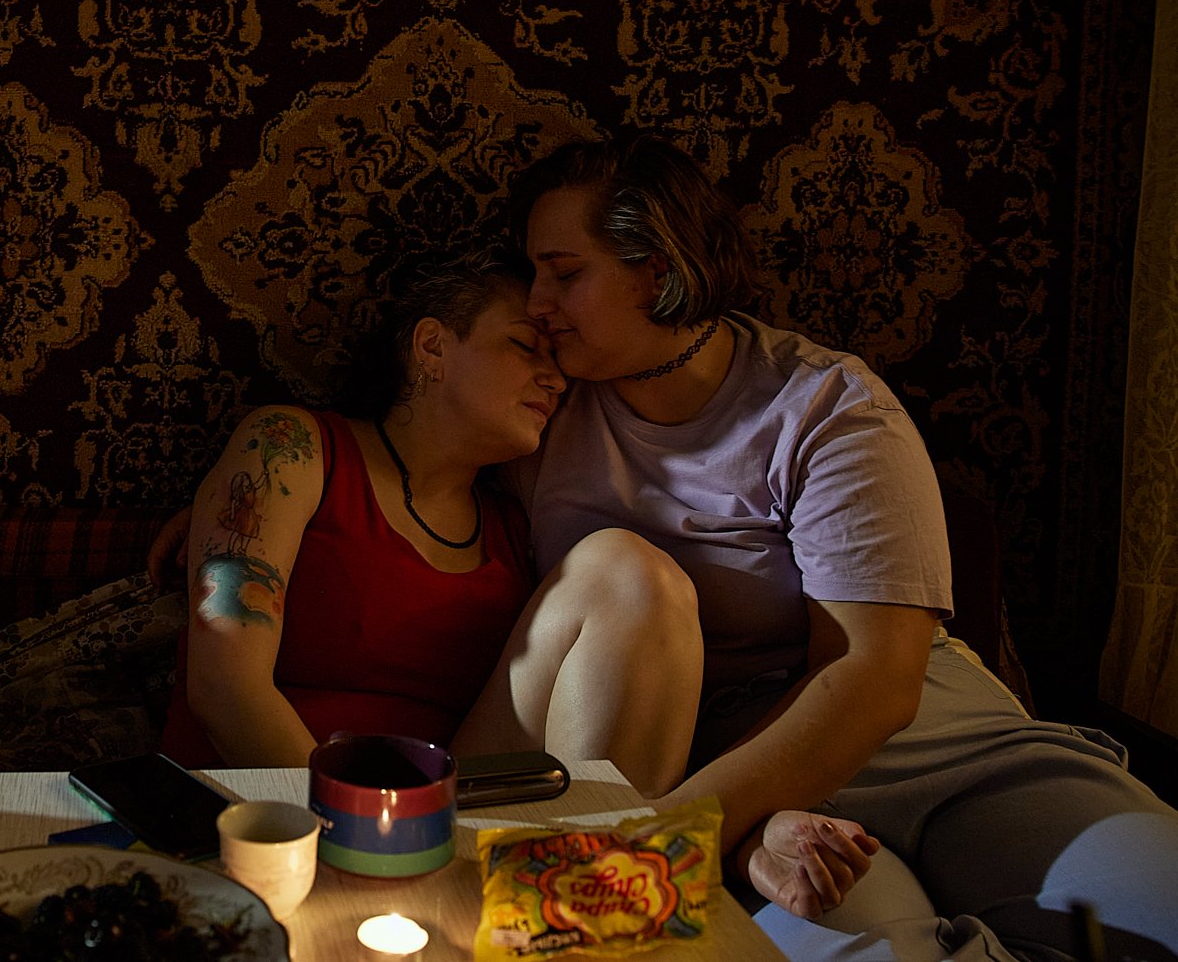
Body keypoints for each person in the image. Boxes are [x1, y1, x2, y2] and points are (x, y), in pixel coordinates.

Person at [512, 134, 1178, 958]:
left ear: (656, 267)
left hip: (936, 743)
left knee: (1161, 910)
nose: (535, 299)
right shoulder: (538, 415)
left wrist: (662, 839)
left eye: (564, 271)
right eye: (534, 272)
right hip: (749, 785)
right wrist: (732, 831)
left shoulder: (826, 404)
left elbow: (875, 677)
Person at [156, 250, 876, 918]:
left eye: (556, 359)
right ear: (432, 345)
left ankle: (581, 904)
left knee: (630, 570)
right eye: (524, 347)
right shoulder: (291, 446)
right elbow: (226, 683)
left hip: (450, 825)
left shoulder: (517, 515)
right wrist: (348, 834)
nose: (557, 378)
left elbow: (621, 694)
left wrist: (757, 824)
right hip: (266, 813)